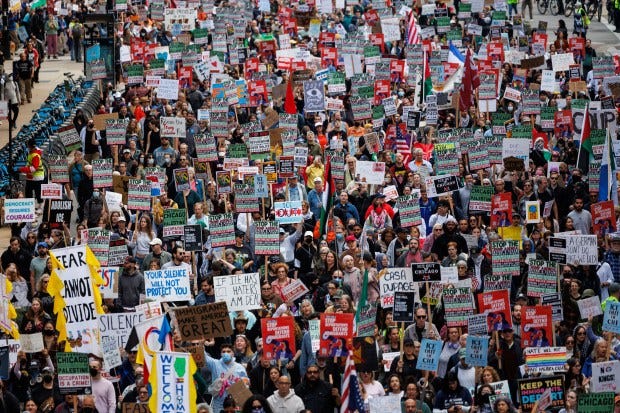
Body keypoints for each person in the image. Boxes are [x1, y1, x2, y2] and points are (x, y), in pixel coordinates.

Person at [19, 138, 46, 208]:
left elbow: (33, 168)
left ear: (30, 146)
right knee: (28, 192)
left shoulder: (35, 155)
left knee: (38, 193)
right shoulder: (34, 151)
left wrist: (21, 169)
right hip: (31, 176)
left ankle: (40, 207)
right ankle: (30, 208)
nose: (27, 147)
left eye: (27, 145)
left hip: (37, 177)